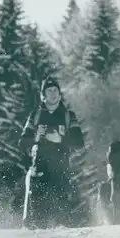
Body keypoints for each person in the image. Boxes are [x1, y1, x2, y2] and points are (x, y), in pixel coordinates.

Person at [18, 76, 85, 228]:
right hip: (39, 170)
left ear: (60, 94)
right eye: (49, 90)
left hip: (61, 170)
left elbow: (79, 143)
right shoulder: (35, 115)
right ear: (43, 94)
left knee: (62, 218)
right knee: (37, 219)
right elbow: (23, 142)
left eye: (56, 90)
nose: (53, 93)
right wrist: (36, 137)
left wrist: (60, 139)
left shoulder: (68, 116)